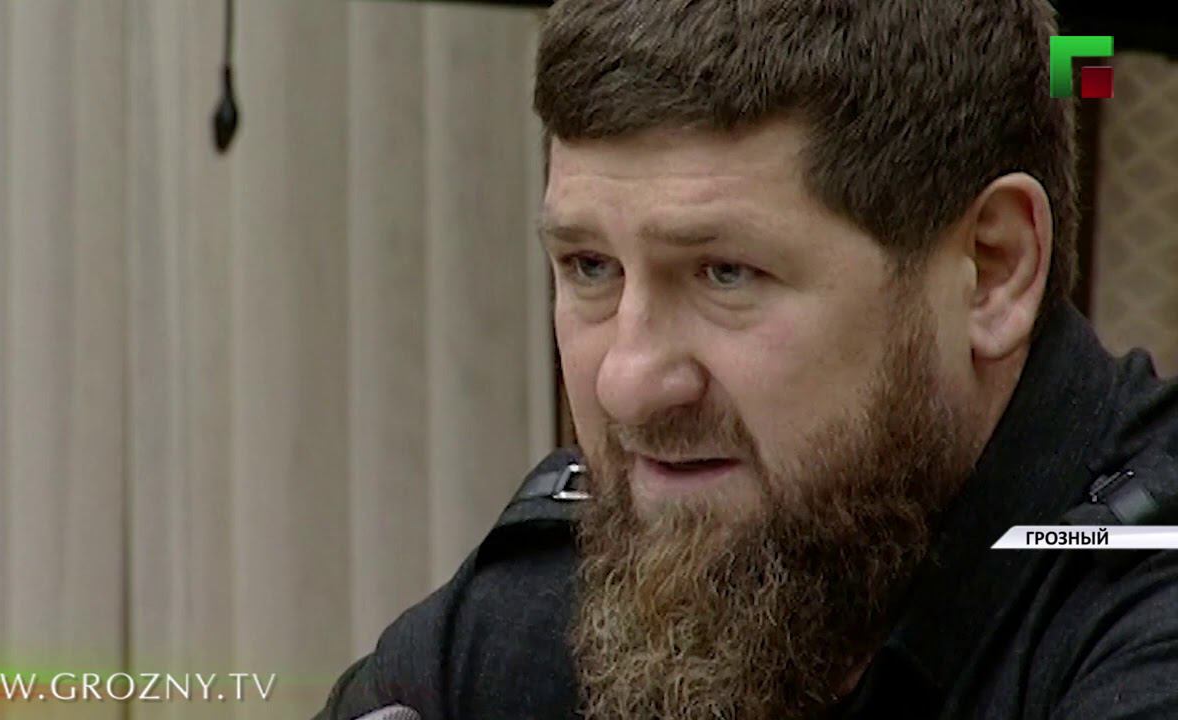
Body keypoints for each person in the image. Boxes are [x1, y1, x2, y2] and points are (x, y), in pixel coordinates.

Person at [319, 1, 1178, 718]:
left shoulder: (1143, 625)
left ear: (991, 270)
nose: (626, 384)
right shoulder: (540, 604)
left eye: (725, 273)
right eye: (590, 267)